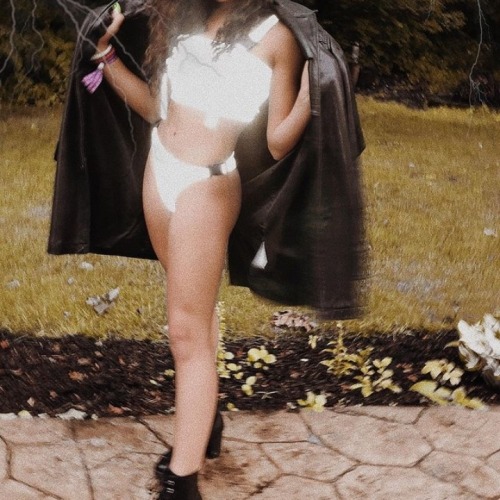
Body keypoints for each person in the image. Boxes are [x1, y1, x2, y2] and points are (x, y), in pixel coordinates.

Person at [90, 0, 311, 498]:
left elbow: (278, 141)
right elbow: (157, 108)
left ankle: (182, 481)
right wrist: (106, 55)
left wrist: (314, 95)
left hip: (207, 187)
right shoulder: (185, 14)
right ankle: (205, 419)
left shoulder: (277, 35)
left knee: (185, 333)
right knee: (195, 312)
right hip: (159, 169)